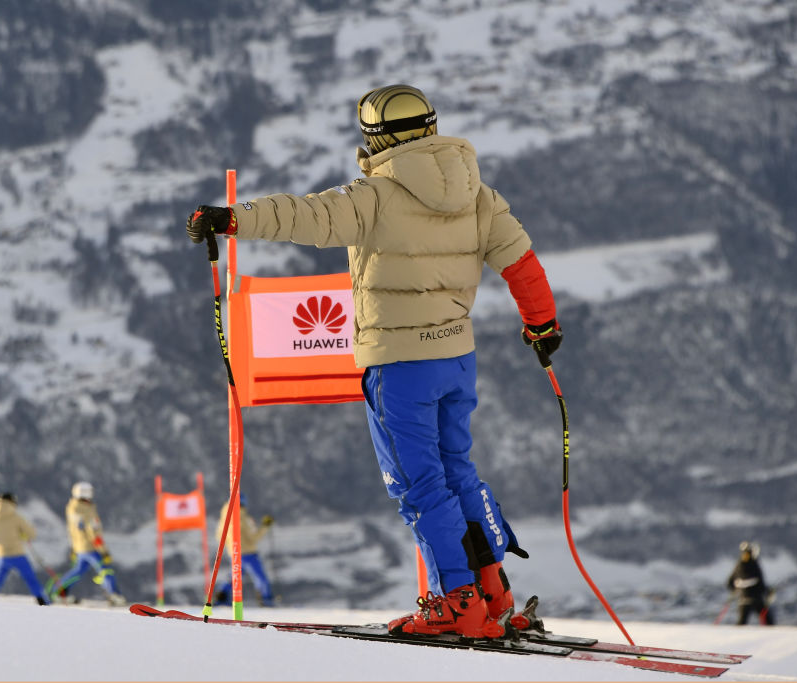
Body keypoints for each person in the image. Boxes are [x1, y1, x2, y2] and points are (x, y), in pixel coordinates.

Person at [185, 84, 561, 639]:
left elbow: (304, 216)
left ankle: (457, 603)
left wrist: (230, 218)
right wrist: (541, 326)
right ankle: (491, 592)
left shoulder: (376, 196)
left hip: (401, 364)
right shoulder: (478, 193)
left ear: (375, 138)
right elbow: (522, 263)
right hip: (458, 357)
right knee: (457, 472)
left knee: (420, 485)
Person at [53, 482, 126, 606]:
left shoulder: (72, 508)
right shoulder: (86, 510)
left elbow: (72, 530)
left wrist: (74, 548)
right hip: (90, 547)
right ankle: (114, 594)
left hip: (79, 546)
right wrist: (103, 550)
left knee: (78, 570)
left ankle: (59, 592)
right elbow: (93, 531)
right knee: (105, 569)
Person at [0, 493, 50, 605]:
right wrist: (22, 536)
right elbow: (31, 534)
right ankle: (42, 601)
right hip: (17, 554)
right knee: (30, 578)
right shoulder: (16, 517)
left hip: (1, 555)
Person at [214, 493, 276, 607]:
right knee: (260, 577)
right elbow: (253, 538)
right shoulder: (241, 517)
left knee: (235, 577)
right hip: (247, 553)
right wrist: (265, 526)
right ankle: (266, 599)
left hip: (234, 552)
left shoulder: (225, 517)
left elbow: (219, 536)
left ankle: (221, 597)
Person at [727, 541, 774, 625]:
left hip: (744, 599)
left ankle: (736, 636)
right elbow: (760, 582)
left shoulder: (739, 564)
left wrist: (736, 590)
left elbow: (730, 582)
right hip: (755, 599)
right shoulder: (754, 564)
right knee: (767, 621)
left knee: (742, 622)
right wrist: (767, 592)